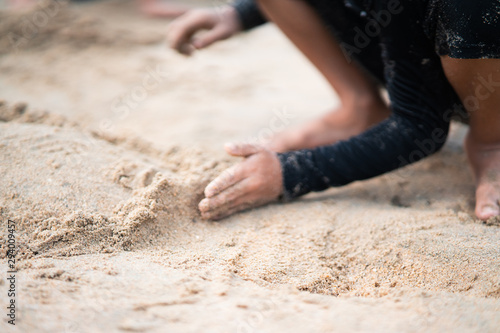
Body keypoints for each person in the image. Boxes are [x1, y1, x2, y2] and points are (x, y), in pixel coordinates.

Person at [167, 0, 500, 221]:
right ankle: (358, 105)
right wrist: (240, 14)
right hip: (417, 32)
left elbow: (422, 127)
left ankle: (490, 142)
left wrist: (290, 173)